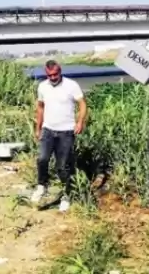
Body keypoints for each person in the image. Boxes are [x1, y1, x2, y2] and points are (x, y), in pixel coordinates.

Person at [31, 60, 87, 212]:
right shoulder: (43, 86)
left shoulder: (71, 85)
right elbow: (40, 108)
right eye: (50, 75)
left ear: (60, 71)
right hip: (48, 129)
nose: (53, 77)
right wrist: (38, 128)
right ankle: (42, 186)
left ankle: (66, 196)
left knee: (62, 166)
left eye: (56, 74)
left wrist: (80, 122)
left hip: (66, 131)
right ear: (46, 74)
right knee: (42, 159)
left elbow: (82, 104)